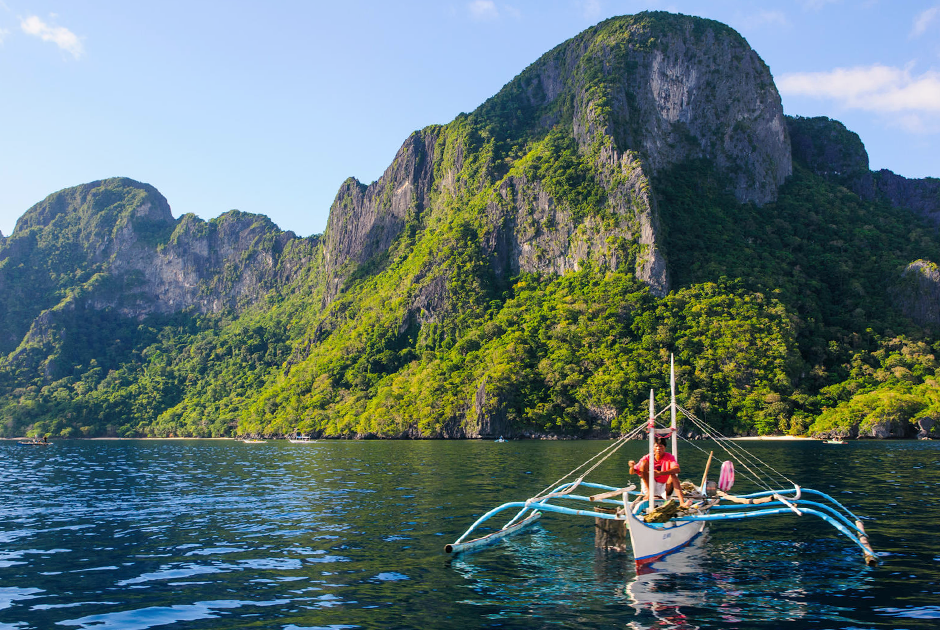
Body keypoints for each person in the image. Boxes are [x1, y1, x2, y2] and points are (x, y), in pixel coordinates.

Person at [629, 437, 688, 507]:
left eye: (661, 446)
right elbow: (632, 472)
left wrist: (660, 473)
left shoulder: (669, 456)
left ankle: (682, 502)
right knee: (643, 463)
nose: (658, 448)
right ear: (653, 448)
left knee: (673, 476)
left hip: (664, 486)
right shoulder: (647, 457)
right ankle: (649, 493)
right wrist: (632, 467)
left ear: (664, 448)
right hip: (650, 486)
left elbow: (677, 469)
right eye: (656, 446)